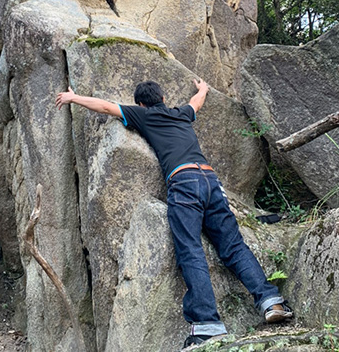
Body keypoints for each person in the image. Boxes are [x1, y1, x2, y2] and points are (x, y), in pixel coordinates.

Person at [56, 79, 293, 348]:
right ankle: (271, 302)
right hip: (210, 180)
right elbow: (196, 103)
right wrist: (203, 88)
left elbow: (105, 107)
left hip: (183, 181)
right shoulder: (180, 113)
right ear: (162, 98)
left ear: (141, 103)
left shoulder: (142, 114)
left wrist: (73, 98)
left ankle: (207, 325)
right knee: (233, 246)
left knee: (190, 249)